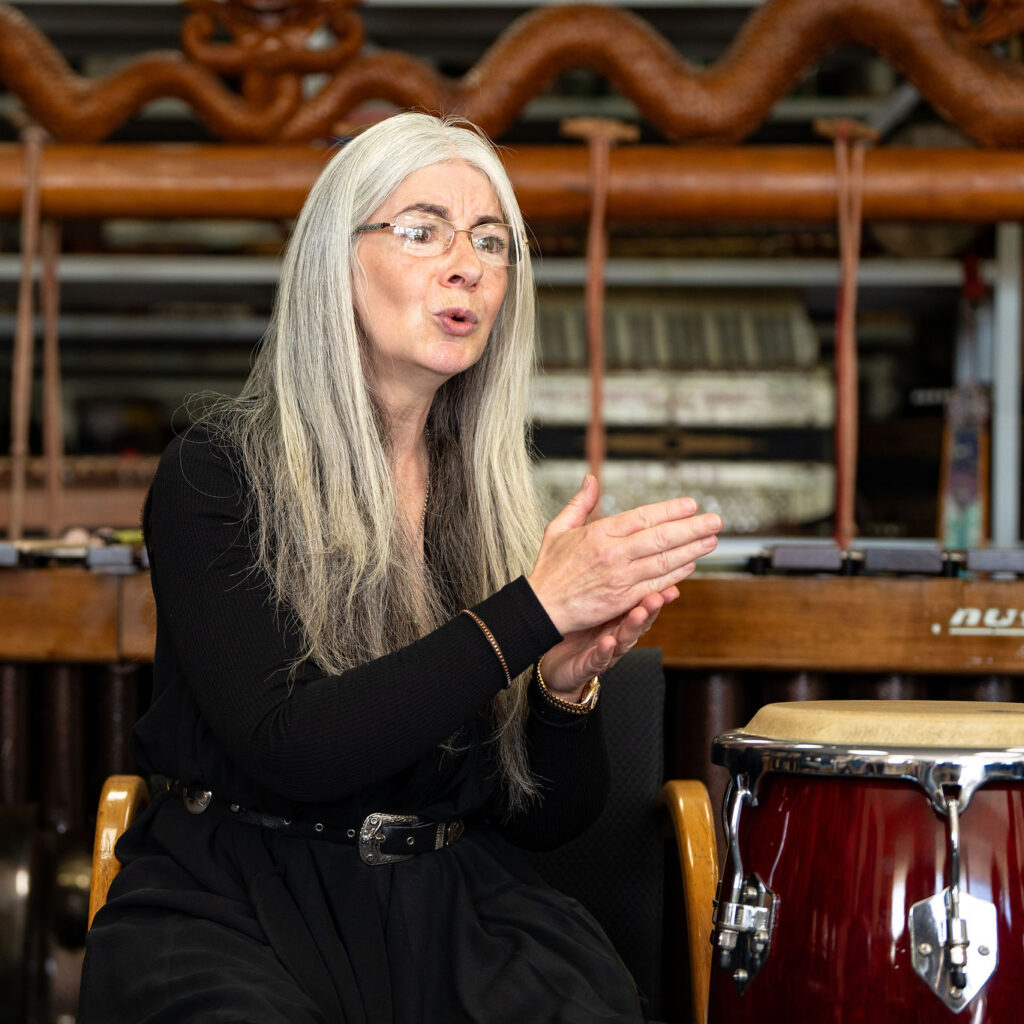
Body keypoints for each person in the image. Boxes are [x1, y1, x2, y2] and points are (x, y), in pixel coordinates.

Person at [79, 112, 721, 1023]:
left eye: (492, 242)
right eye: (423, 230)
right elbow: (294, 744)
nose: (467, 263)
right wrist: (533, 609)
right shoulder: (215, 474)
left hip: (449, 903)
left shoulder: (486, 501)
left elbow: (544, 823)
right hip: (234, 903)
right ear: (336, 264)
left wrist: (563, 692)